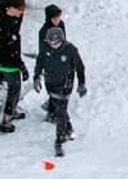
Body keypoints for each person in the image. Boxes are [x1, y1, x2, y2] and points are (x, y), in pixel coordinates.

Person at [33, 27, 87, 157]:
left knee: (60, 112)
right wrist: (36, 77)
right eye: (51, 42)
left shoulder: (70, 50)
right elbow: (39, 62)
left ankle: (59, 140)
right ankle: (69, 130)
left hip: (65, 85)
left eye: (56, 42)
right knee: (58, 108)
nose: (53, 45)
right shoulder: (45, 49)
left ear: (62, 40)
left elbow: (80, 67)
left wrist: (81, 83)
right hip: (50, 84)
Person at [0, 0, 27, 129]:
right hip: (6, 48)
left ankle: (12, 110)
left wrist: (16, 13)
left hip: (11, 39)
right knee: (14, 85)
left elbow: (21, 5)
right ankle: (8, 116)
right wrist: (21, 65)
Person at [38, 4, 66, 122]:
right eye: (55, 17)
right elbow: (43, 50)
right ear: (49, 18)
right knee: (54, 87)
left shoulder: (61, 25)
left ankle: (51, 105)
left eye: (59, 16)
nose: (58, 19)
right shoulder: (44, 31)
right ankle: (51, 113)